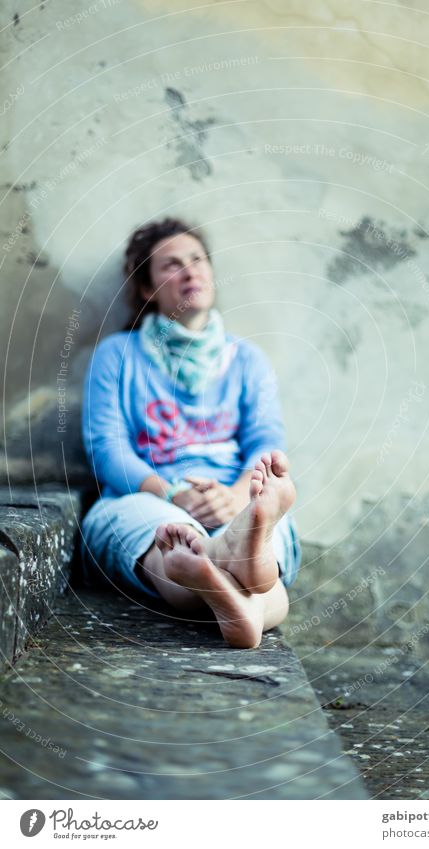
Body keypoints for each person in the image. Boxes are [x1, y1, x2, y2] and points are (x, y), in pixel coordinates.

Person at [80, 217, 301, 649]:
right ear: (147, 289)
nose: (190, 271)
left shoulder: (247, 360)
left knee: (259, 521)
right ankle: (238, 576)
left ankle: (230, 556)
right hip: (146, 496)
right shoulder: (117, 355)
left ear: (212, 274)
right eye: (171, 265)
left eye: (198, 260)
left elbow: (266, 440)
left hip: (237, 496)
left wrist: (239, 497)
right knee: (176, 541)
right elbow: (107, 449)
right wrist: (172, 494)